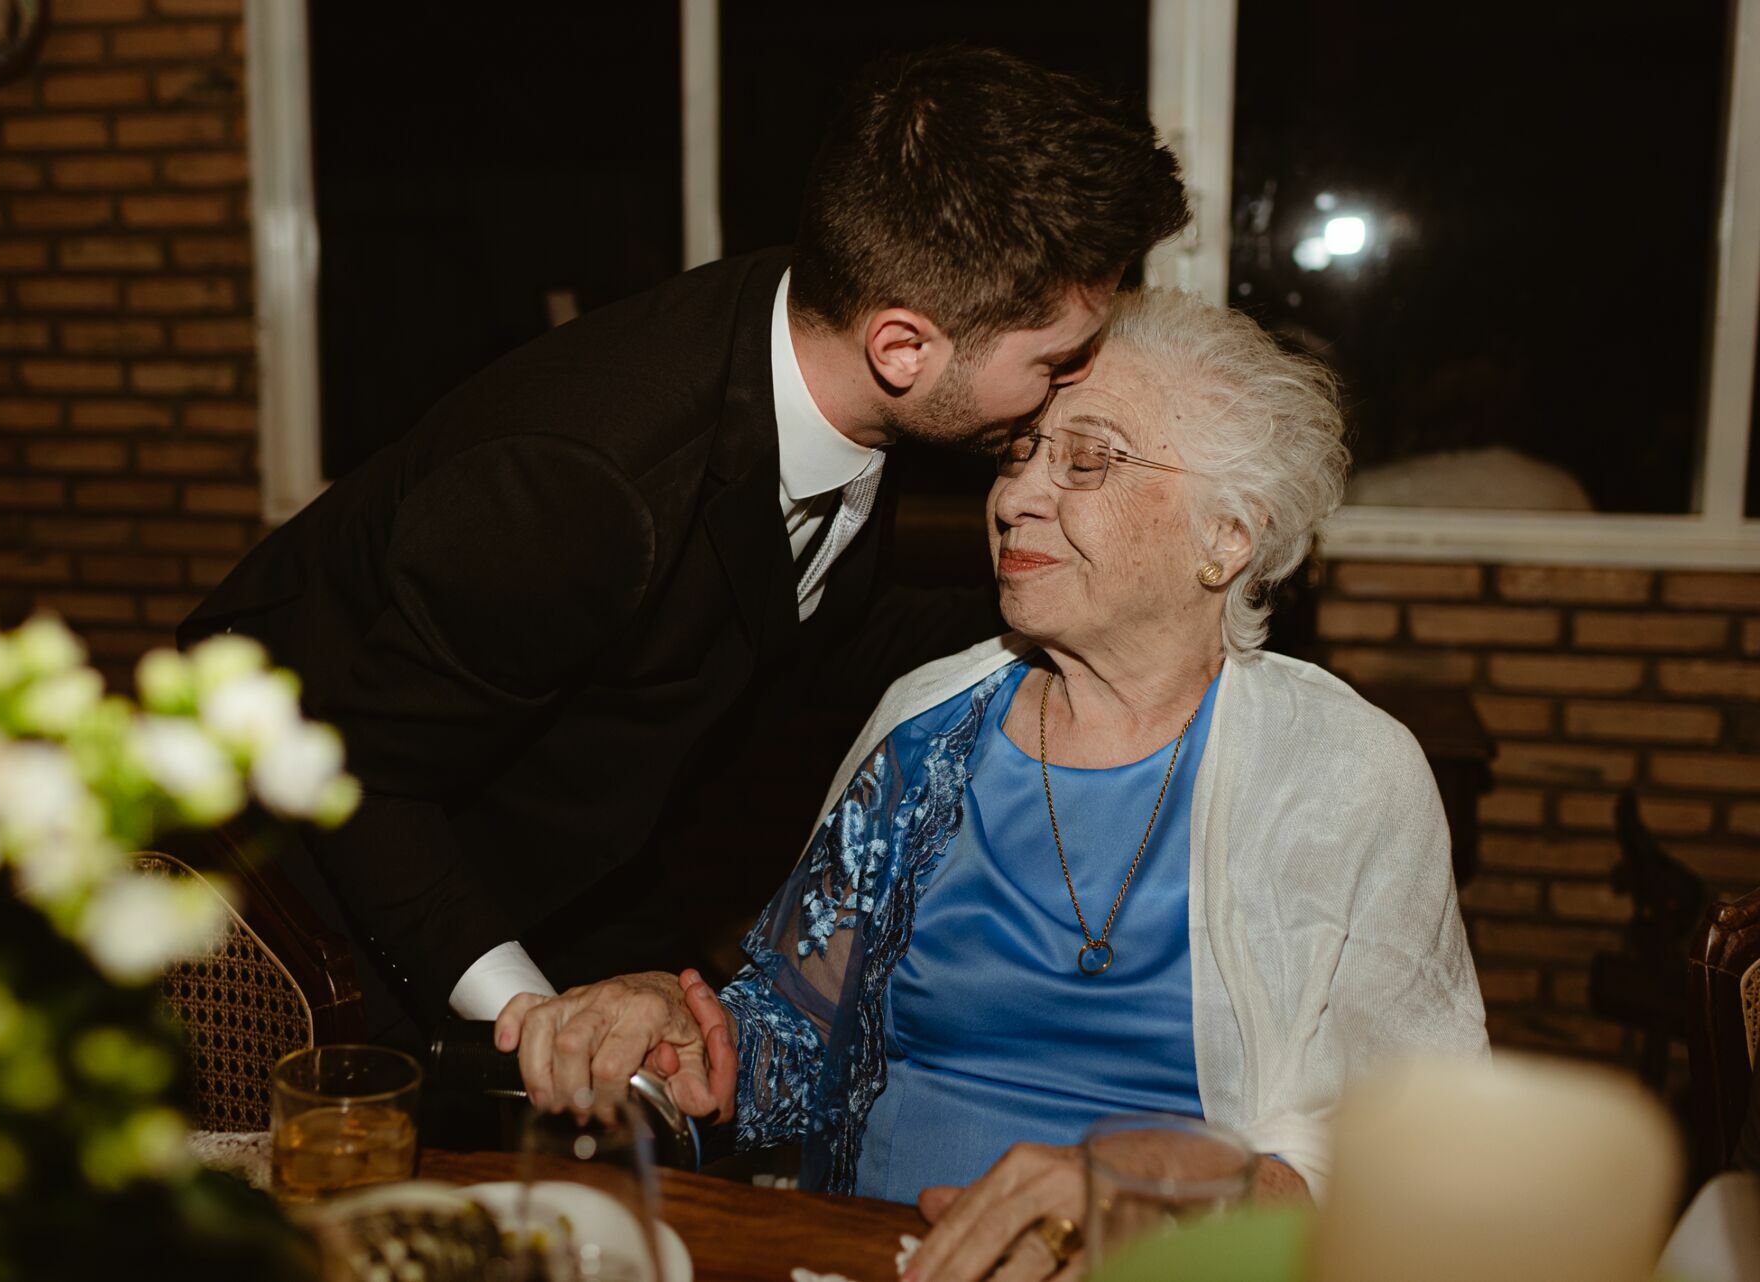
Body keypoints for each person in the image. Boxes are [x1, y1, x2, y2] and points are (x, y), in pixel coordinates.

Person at [178, 47, 1190, 1042]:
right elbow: (364, 780)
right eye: (1057, 363)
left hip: (568, 832)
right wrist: (530, 1015)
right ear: (903, 347)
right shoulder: (586, 486)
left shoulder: (823, 345)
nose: (1072, 387)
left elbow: (818, 617)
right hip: (303, 880)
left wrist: (1093, 605)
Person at [499, 287, 1490, 1280]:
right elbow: (797, 1044)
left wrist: (1169, 1195)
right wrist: (683, 1041)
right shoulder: (926, 733)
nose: (1015, 497)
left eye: (1087, 459)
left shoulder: (1344, 775)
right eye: (1019, 453)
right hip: (878, 1259)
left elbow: (1426, 1145)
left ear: (1229, 536)